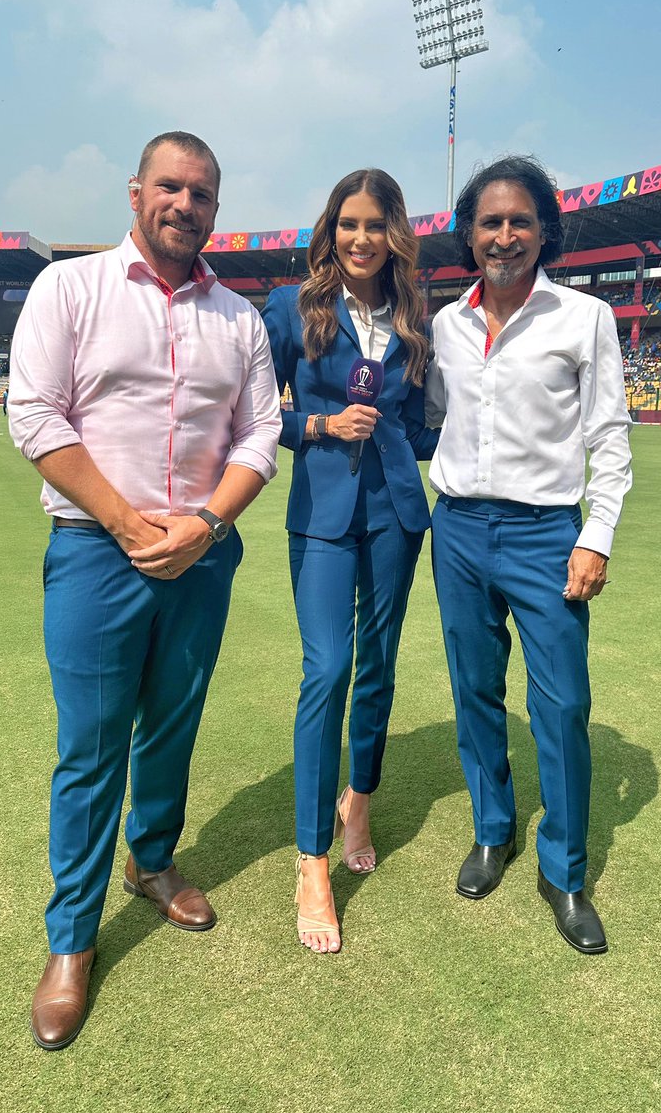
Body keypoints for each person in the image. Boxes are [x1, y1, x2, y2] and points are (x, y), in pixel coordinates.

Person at [8, 131, 281, 1048]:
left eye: (202, 194)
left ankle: (151, 862)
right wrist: (132, 526)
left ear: (214, 208)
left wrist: (204, 527)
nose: (186, 205)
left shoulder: (238, 320)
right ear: (136, 193)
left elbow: (258, 438)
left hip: (201, 553)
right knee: (90, 748)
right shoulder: (70, 289)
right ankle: (71, 941)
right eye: (170, 186)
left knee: (172, 722)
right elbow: (34, 414)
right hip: (95, 549)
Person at [425, 155, 632, 954]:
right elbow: (438, 416)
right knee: (475, 691)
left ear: (545, 229)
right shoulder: (446, 324)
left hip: (549, 535)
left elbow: (608, 435)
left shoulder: (584, 318)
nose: (504, 235)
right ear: (469, 235)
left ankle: (566, 871)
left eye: (519, 221)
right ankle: (492, 830)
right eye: (489, 222)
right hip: (461, 531)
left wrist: (596, 534)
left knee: (563, 705)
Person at [262, 169, 437, 954]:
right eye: (348, 223)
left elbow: (424, 424)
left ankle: (358, 801)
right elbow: (258, 417)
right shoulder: (291, 309)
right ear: (330, 229)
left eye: (375, 224)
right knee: (326, 669)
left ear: (393, 232)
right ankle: (312, 861)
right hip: (323, 514)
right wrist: (323, 429)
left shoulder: (412, 315)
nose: (361, 238)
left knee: (379, 667)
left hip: (398, 511)